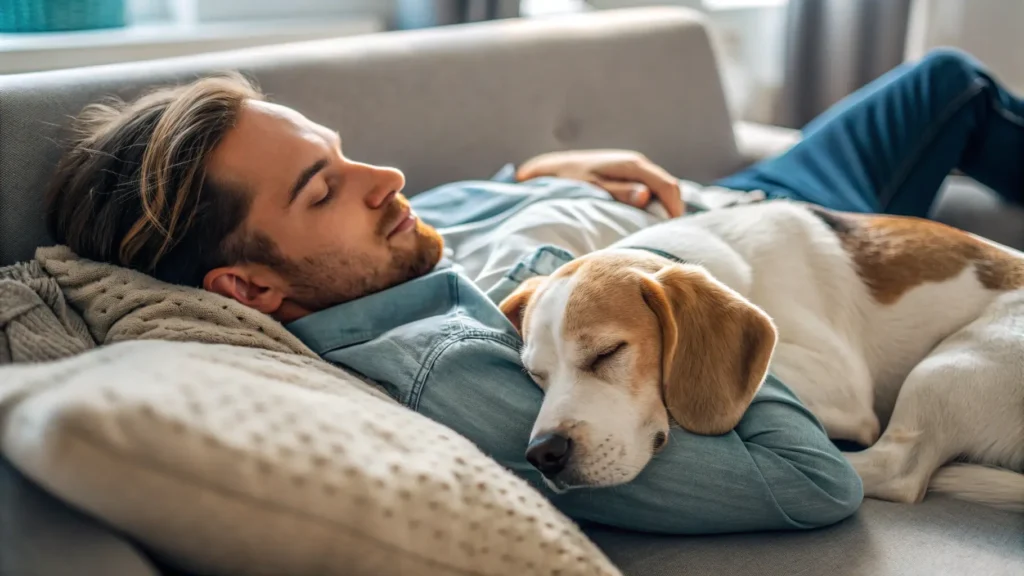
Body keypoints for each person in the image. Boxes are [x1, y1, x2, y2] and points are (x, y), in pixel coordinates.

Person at [44, 49, 1024, 534]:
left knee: (943, 81)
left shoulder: (389, 248)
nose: (382, 178)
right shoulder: (440, 363)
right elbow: (807, 477)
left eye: (343, 153)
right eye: (322, 186)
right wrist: (672, 291)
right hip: (769, 260)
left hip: (735, 213)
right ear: (247, 286)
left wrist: (540, 179)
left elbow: (453, 218)